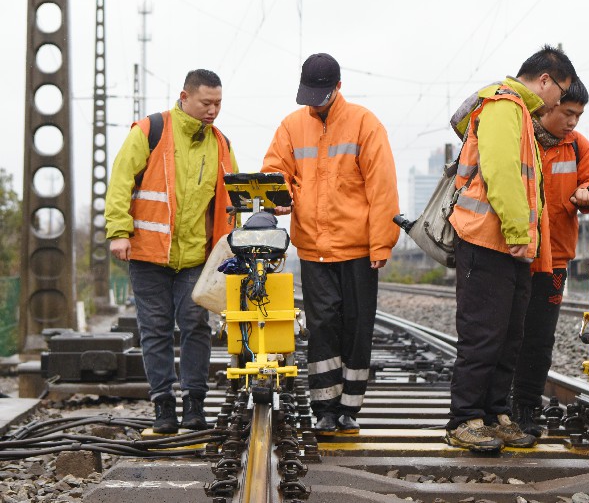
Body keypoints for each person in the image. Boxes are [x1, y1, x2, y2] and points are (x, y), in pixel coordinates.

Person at [445, 45, 576, 452]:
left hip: (510, 245)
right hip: (487, 239)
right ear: (545, 80)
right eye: (561, 90)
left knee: (508, 336)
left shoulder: (521, 113)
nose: (559, 100)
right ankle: (464, 419)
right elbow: (501, 173)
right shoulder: (503, 107)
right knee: (483, 335)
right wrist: (521, 234)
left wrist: (527, 241)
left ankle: (494, 413)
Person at [261, 53, 400, 436]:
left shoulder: (364, 124)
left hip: (357, 247)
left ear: (338, 87)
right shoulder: (291, 126)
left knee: (357, 325)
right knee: (323, 325)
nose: (314, 103)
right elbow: (274, 168)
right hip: (312, 246)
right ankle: (324, 406)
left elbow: (382, 187)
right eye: (308, 96)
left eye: (320, 95)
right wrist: (281, 194)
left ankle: (350, 407)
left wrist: (381, 244)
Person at [105, 69, 238, 434]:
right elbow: (120, 180)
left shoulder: (221, 144)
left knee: (196, 325)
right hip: (149, 254)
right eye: (206, 103)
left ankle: (194, 404)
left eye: (218, 103)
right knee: (156, 328)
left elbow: (232, 199)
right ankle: (163, 405)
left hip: (196, 257)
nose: (213, 110)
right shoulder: (151, 131)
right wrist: (119, 231)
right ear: (185, 96)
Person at [511, 78, 589, 436]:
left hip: (555, 260)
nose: (573, 122)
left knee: (538, 338)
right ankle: (500, 408)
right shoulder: (518, 137)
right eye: (568, 112)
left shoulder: (577, 146)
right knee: (505, 336)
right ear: (547, 102)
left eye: (578, 115)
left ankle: (526, 409)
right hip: (513, 255)